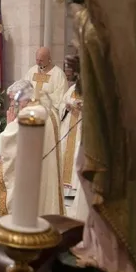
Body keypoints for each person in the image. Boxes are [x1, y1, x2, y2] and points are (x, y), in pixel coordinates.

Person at [0, 80, 64, 220]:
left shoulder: (27, 115)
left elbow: (8, 145)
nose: (12, 104)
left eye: (14, 99)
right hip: (47, 169)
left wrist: (9, 125)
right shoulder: (51, 111)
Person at [59, 55, 83, 198]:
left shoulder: (91, 90)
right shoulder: (73, 88)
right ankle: (65, 188)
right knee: (66, 153)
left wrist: (81, 107)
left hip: (81, 127)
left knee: (76, 155)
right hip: (69, 126)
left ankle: (75, 189)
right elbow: (63, 102)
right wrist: (67, 106)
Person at [23, 46, 67, 110]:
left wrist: (41, 98)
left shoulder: (58, 74)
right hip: (31, 108)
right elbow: (25, 88)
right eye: (37, 60)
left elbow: (60, 96)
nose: (38, 63)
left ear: (49, 59)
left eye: (41, 60)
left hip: (49, 110)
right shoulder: (32, 71)